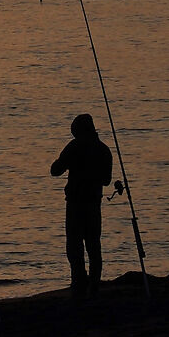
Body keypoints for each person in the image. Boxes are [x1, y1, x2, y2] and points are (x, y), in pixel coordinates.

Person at [51, 112, 113, 295]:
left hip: (76, 203)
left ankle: (79, 280)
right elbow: (107, 180)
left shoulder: (74, 146)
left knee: (74, 245)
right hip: (94, 203)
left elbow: (55, 170)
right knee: (94, 245)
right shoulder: (104, 150)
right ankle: (94, 284)